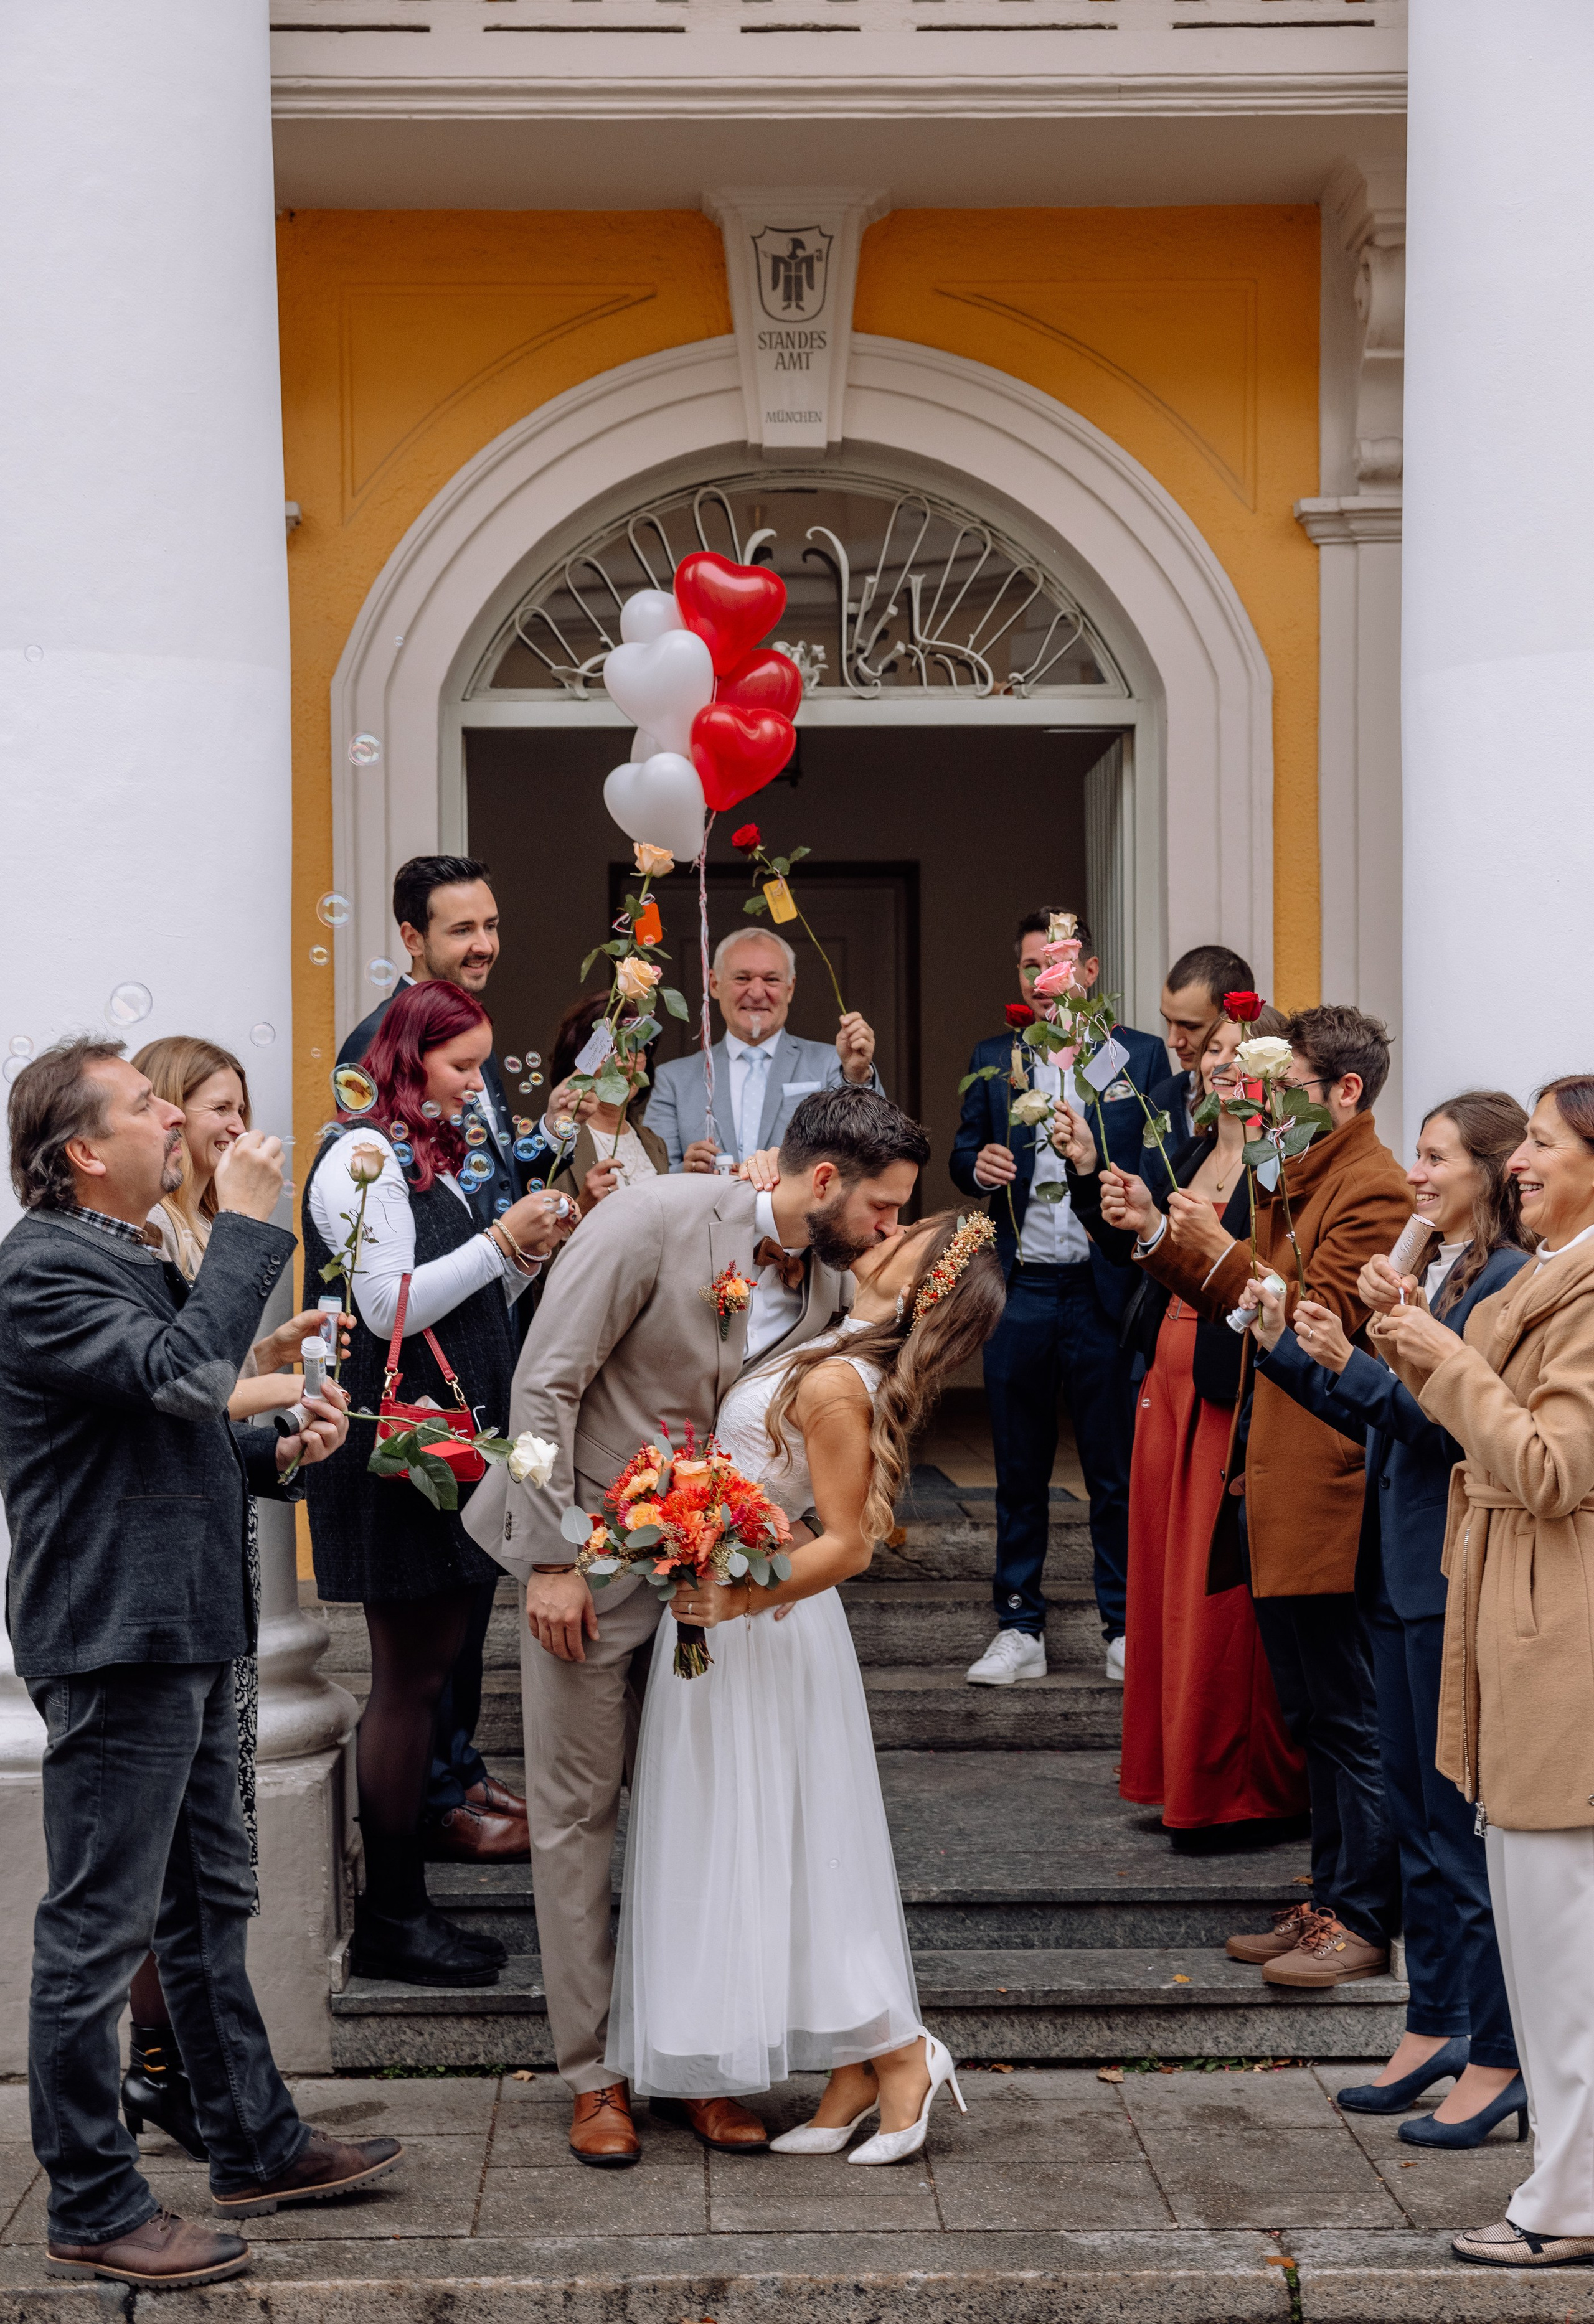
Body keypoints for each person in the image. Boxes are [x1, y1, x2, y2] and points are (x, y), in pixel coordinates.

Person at [464, 1086, 930, 2166]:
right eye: (886, 1206)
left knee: (698, 1824)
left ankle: (696, 2062)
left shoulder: (832, 1288)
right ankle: (595, 2076)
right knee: (578, 1821)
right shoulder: (652, 1219)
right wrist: (549, 1558)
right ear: (826, 1181)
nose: (891, 1228)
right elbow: (544, 1387)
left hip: (717, 1599)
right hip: (584, 1565)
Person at [0, 1039, 398, 2292]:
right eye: (146, 1104)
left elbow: (181, 1436)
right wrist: (245, 1225)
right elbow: (180, 1379)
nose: (173, 1117)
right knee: (96, 1932)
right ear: (82, 1151)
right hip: (115, 1638)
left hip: (181, 1629)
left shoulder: (122, 1259)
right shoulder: (41, 1273)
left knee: (204, 1909)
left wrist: (283, 1445)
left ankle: (253, 2141)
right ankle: (92, 2201)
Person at [607, 1209, 1006, 2159]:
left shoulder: (835, 1379)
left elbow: (849, 1541)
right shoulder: (832, 1333)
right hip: (733, 1610)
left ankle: (902, 2051)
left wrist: (740, 1602)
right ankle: (851, 2070)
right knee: (787, 1847)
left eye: (915, 1232)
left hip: (763, 1629)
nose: (892, 1225)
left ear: (923, 1286)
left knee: (790, 1843)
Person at [1103, 1004, 1412, 1988]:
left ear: (1345, 1094)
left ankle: (1362, 1919)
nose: (1264, 1107)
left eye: (1287, 1091)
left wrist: (1220, 1248)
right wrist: (1167, 1235)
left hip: (1328, 1484)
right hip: (1271, 1472)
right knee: (1315, 1712)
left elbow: (1309, 1319)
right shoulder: (1302, 1170)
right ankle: (1329, 1899)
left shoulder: (1370, 1189)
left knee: (1348, 1716)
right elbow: (1246, 1302)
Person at [1245, 1090, 1529, 2146]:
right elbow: (1384, 1417)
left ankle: (1494, 2054)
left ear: (1490, 1172)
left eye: (1439, 1156)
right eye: (1416, 1152)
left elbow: (1449, 1429)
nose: (1419, 1171)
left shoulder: (1501, 1279)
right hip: (1395, 1564)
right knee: (1416, 1822)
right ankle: (1434, 2025)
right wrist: (1295, 1347)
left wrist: (1361, 1360)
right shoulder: (1448, 1271)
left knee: (1456, 1836)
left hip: (1447, 1575)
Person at [303, 981, 573, 1985]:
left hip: (451, 1442)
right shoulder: (363, 1154)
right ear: (409, 1061)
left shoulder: (422, 1154)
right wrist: (501, 1242)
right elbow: (387, 1308)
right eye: (461, 1067)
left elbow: (458, 1300)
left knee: (433, 1667)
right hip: (399, 1452)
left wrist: (519, 1256)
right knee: (409, 1683)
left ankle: (402, 1903)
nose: (476, 1088)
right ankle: (394, 1912)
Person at [115, 1034, 353, 2161]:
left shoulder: (203, 1228)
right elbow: (184, 1385)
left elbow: (217, 1393)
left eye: (243, 1104)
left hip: (222, 1578)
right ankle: (161, 2068)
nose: (233, 1123)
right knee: (181, 1866)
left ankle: (192, 2081)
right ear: (164, 1111)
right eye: (216, 1104)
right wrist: (287, 1379)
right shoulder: (151, 1234)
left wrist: (281, 1385)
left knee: (216, 1858)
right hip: (163, 1595)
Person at [1373, 1078, 1594, 2269]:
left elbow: (1551, 1465)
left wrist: (1430, 1349)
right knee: (1541, 1919)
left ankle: (1569, 2203)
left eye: (1546, 1145)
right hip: (1522, 1609)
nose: (1523, 1163)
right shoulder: (1559, 1269)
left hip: (1563, 1631)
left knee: (1561, 1941)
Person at [1059, 1010, 1308, 1848]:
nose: (1218, 1066)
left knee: (1220, 1588)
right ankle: (1173, 1773)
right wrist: (1135, 1219)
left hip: (1228, 1384)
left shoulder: (1283, 1161)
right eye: (1208, 1056)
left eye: (1237, 1054)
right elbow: (1165, 1256)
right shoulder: (1198, 1153)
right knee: (1166, 1582)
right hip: (1164, 1381)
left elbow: (1277, 1275)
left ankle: (1233, 1791)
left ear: (1276, 1069)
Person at [337, 853, 536, 1863]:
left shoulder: (473, 1051)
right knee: (426, 1622)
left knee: (467, 1592)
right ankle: (437, 1790)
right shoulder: (379, 1068)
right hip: (422, 1392)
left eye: (492, 922)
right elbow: (384, 1287)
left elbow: (478, 1190)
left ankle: (457, 1760)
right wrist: (503, 1243)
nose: (485, 942)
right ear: (411, 939)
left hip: (479, 1357)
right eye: (463, 928)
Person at [950, 910, 1167, 1685]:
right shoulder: (993, 1056)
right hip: (1024, 1289)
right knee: (1018, 1467)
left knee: (1113, 1467)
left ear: (1089, 971)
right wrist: (978, 1167)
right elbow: (962, 1150)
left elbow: (1155, 1156)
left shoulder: (1136, 1057)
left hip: (1104, 1287)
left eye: (1056, 964)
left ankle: (1123, 1624)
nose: (1041, 981)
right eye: (1028, 967)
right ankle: (1019, 1627)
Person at [647, 928, 882, 1172]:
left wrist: (857, 1076)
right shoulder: (674, 1080)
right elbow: (653, 1173)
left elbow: (870, 1151)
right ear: (714, 984)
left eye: (771, 980)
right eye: (742, 978)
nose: (757, 993)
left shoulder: (833, 1065)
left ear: (790, 988)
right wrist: (686, 1172)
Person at [544, 992, 670, 1216]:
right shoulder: (549, 1142)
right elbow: (531, 1244)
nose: (627, 1064)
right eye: (613, 1049)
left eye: (636, 1048)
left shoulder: (655, 1144)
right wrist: (580, 1209)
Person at [1151, 944, 1258, 1141]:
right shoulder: (1161, 1097)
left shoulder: (1270, 1108)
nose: (1173, 1041)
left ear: (1233, 1017)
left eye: (1191, 1027)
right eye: (1168, 1020)